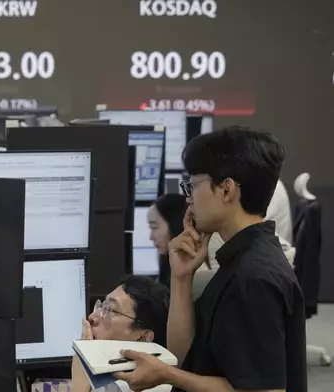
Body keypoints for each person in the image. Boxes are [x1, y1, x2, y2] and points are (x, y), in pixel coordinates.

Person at [113, 126, 307, 392]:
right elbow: (183, 357)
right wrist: (181, 277)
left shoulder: (253, 278)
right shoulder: (239, 262)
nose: (188, 199)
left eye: (193, 186)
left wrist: (169, 376)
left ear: (226, 189)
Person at [71, 275, 171, 392]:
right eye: (101, 305)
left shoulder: (154, 388)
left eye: (109, 309)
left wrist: (80, 381)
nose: (92, 317)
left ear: (143, 337)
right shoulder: (111, 376)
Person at [147, 194, 188, 287]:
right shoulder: (170, 267)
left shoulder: (192, 275)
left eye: (154, 227)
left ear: (175, 224)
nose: (151, 237)